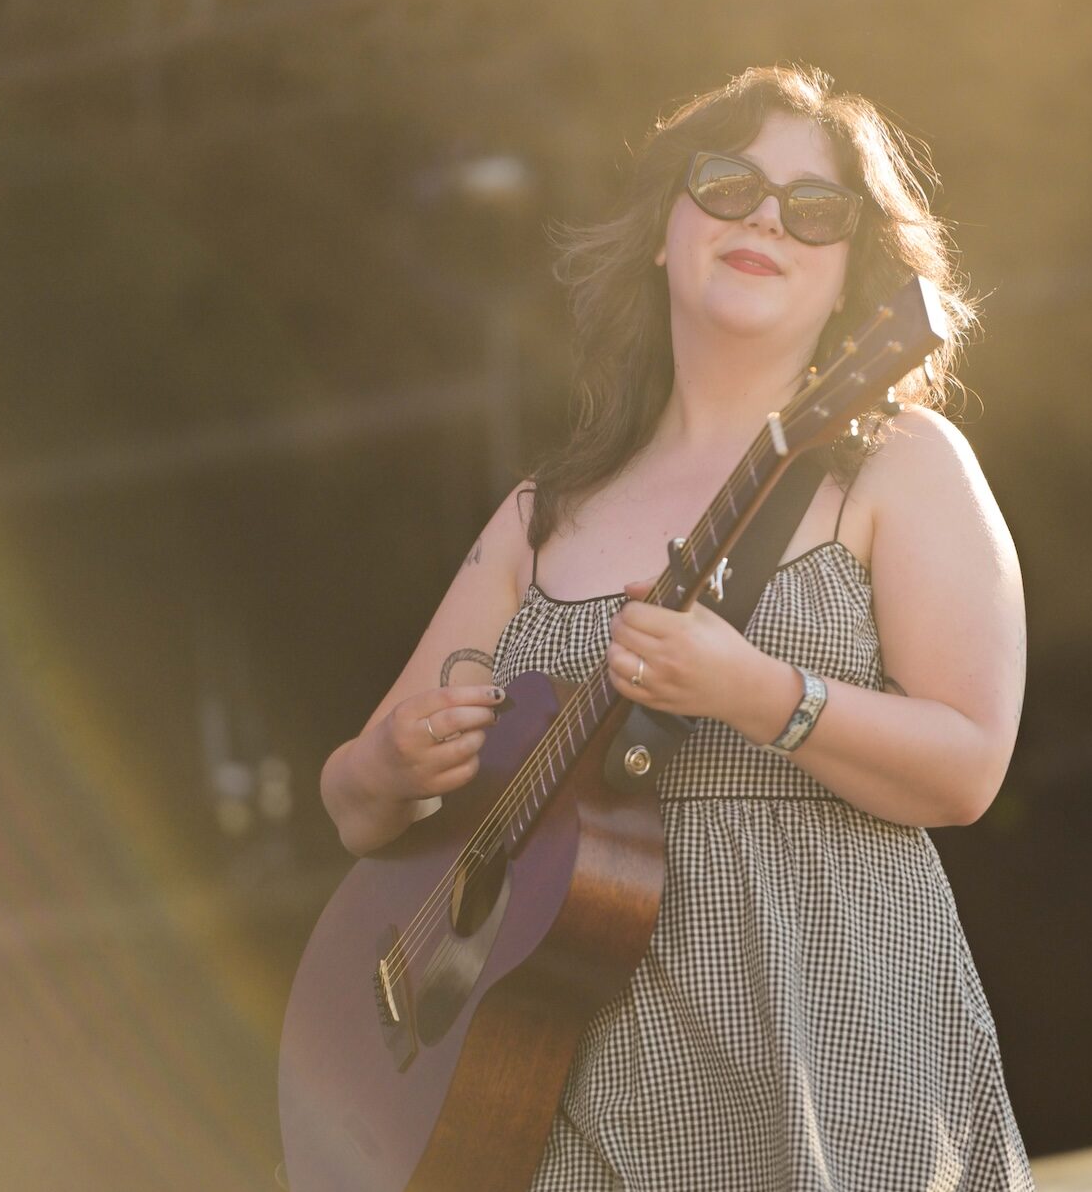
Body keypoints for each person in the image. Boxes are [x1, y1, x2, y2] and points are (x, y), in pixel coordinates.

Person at [320, 63, 1032, 1191]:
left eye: (814, 209)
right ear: (665, 230)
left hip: (830, 1048)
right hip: (557, 1079)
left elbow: (969, 765)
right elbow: (358, 805)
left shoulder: (900, 465)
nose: (765, 218)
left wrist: (760, 694)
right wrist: (389, 759)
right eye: (728, 181)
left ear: (850, 272)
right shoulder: (539, 517)